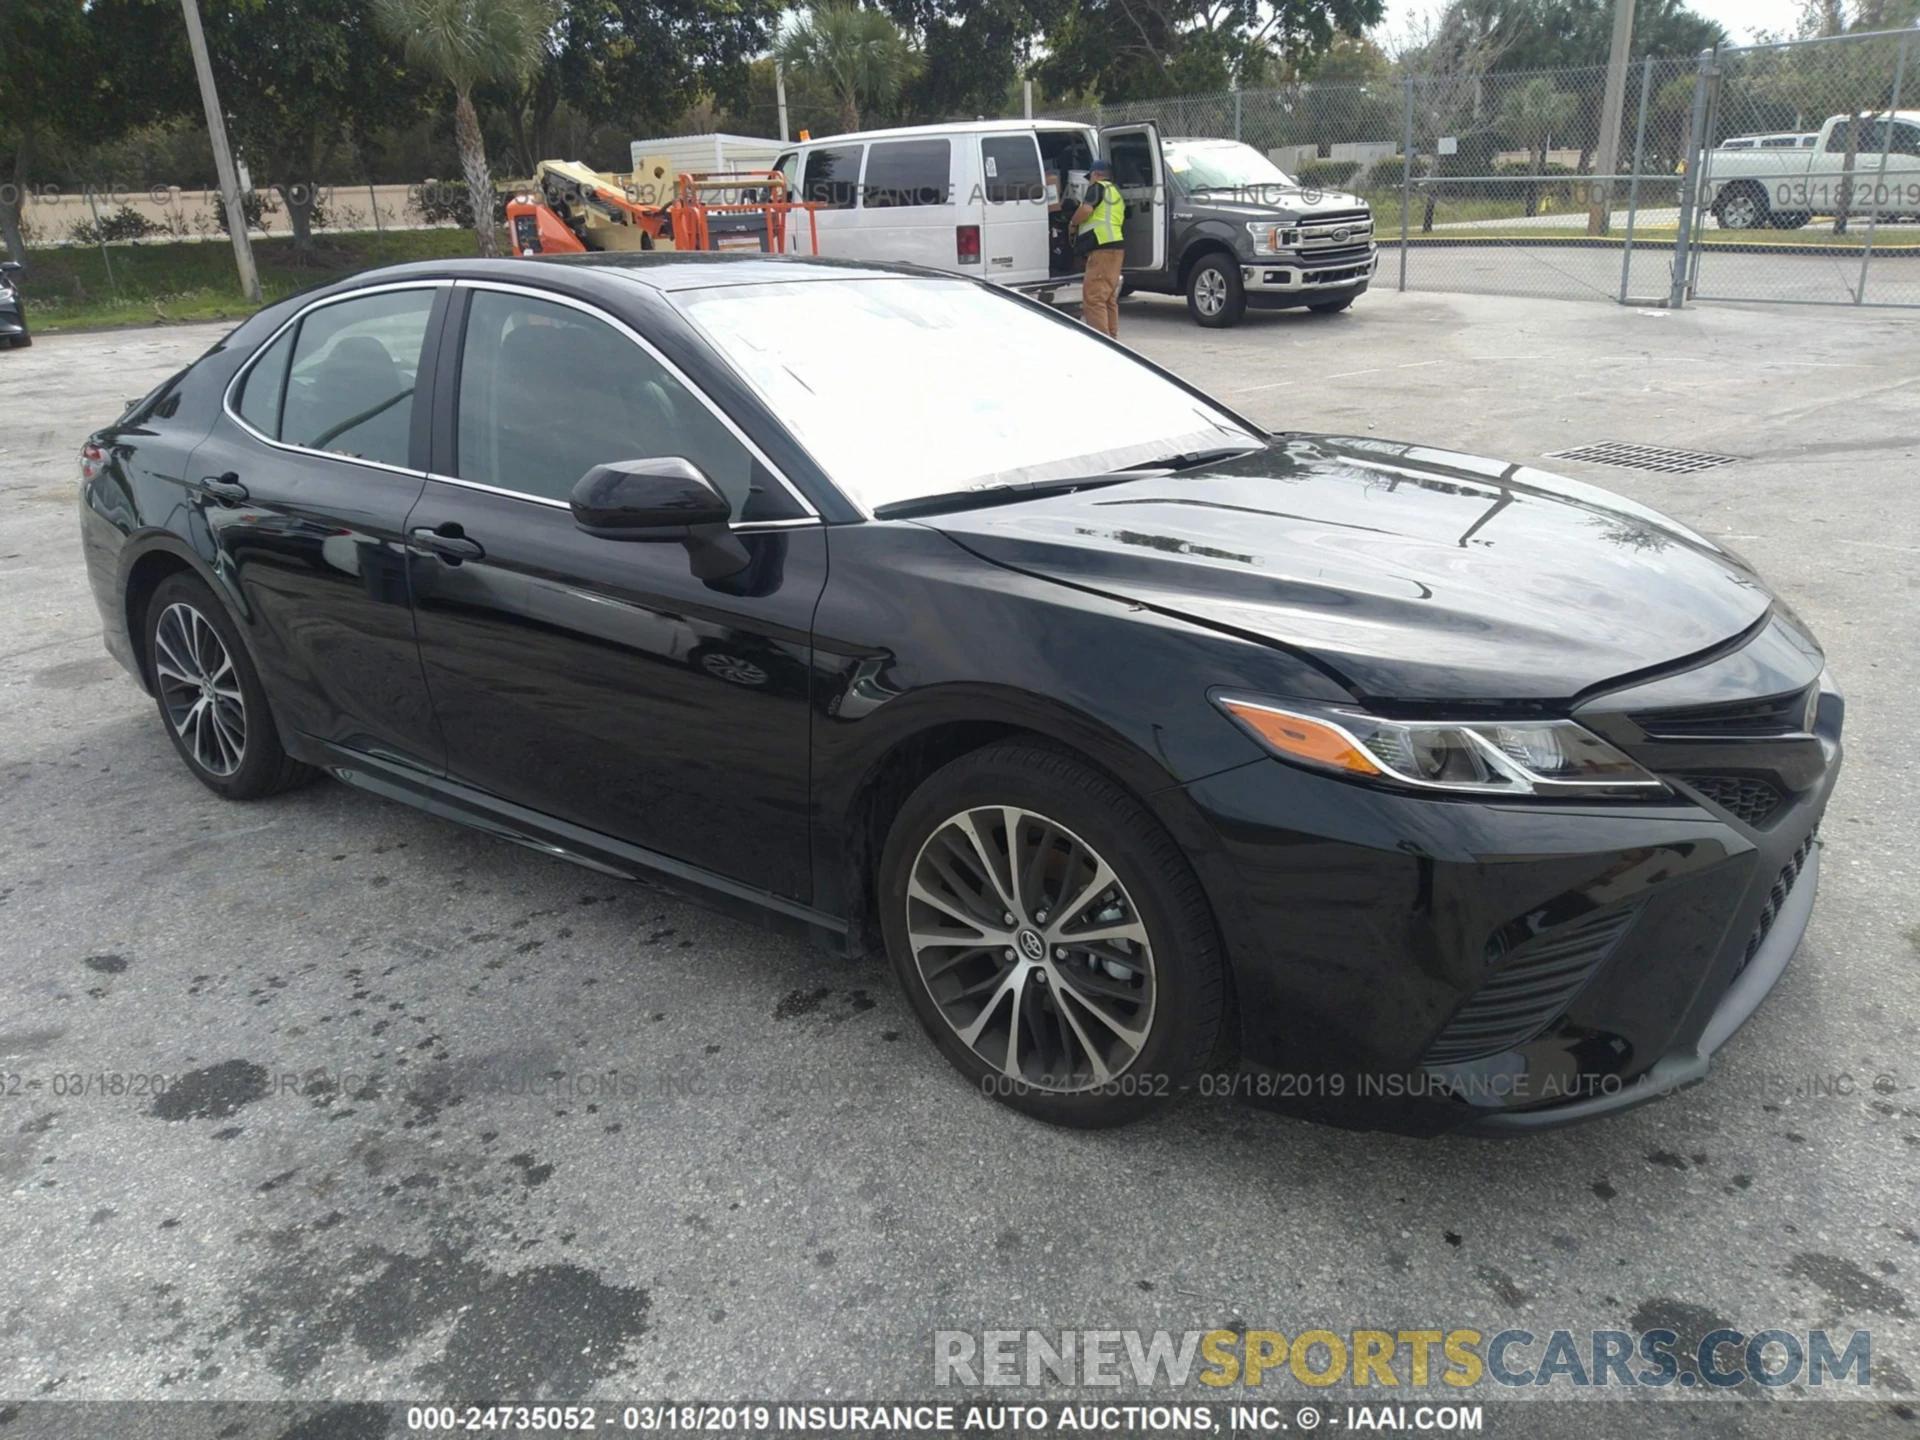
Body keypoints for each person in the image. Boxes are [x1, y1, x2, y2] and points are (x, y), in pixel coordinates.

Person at [1072, 156, 1127, 339]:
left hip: (1102, 249)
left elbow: (1087, 210)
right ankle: (1112, 339)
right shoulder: (1116, 193)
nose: (1090, 181)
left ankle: (1101, 343)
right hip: (1116, 249)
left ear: (1096, 174)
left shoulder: (1097, 188)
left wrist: (1073, 222)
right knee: (1108, 298)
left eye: (1091, 177)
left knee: (1093, 299)